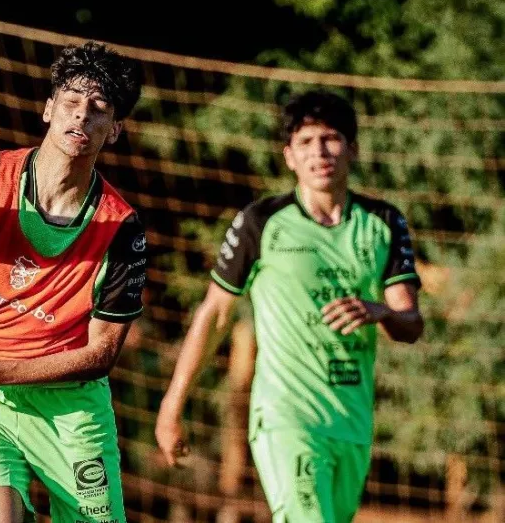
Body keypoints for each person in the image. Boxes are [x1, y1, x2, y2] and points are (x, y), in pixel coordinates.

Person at [154, 90, 424, 523]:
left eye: (331, 138)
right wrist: (172, 405)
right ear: (289, 157)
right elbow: (215, 314)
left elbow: (411, 322)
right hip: (286, 416)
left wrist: (383, 312)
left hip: (351, 419)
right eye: (305, 141)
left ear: (352, 149)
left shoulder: (384, 222)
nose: (319, 152)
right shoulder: (261, 222)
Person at [0, 41, 148, 523]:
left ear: (115, 130)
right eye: (71, 101)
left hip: (72, 414)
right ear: (48, 109)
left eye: (99, 108)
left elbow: (100, 356)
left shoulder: (121, 226)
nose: (81, 116)